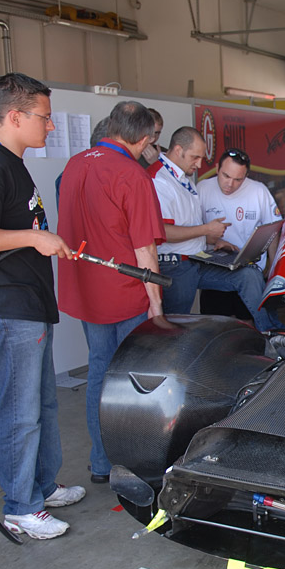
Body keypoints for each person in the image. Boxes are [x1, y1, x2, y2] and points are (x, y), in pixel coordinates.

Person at [0, 72, 83, 539]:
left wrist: (42, 239)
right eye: (44, 118)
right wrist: (32, 236)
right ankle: (21, 507)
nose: (49, 127)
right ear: (15, 116)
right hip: (5, 309)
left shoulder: (13, 161)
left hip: (28, 306)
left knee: (41, 404)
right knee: (19, 412)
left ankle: (41, 487)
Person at [57, 101, 166, 484]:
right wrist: (156, 307)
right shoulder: (132, 175)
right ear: (142, 138)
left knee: (100, 372)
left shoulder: (75, 164)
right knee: (131, 381)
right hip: (124, 292)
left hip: (86, 291)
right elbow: (145, 250)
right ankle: (132, 466)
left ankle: (102, 462)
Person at [149, 127, 283, 331]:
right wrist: (206, 230)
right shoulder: (160, 180)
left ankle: (274, 333)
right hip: (175, 265)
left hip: (197, 259)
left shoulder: (183, 179)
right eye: (195, 157)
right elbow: (162, 232)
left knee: (248, 276)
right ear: (178, 150)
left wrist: (211, 240)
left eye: (238, 179)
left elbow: (188, 228)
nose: (200, 164)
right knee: (175, 331)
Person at [198, 149, 281, 272]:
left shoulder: (259, 191)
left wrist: (274, 270)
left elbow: (273, 231)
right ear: (217, 169)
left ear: (246, 177)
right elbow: (191, 230)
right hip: (212, 264)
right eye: (226, 176)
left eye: (238, 180)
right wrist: (217, 241)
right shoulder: (202, 188)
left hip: (250, 267)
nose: (230, 184)